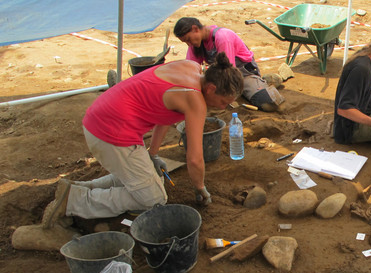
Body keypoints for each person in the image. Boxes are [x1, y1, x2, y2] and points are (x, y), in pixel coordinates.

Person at [40, 52, 244, 228]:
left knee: (137, 177)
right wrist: (200, 187)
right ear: (210, 89)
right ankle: (74, 202)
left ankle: (79, 188)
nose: (223, 107)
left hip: (99, 119)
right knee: (153, 199)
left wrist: (152, 153)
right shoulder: (195, 99)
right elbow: (195, 158)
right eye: (223, 102)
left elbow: (164, 115)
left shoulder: (190, 67)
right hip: (111, 134)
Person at [174, 17, 283, 112]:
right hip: (220, 75)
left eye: (188, 39)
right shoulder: (195, 45)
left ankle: (267, 81)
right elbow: (190, 70)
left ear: (195, 29)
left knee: (268, 103)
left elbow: (229, 72)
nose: (189, 44)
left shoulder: (222, 37)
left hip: (240, 73)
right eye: (185, 42)